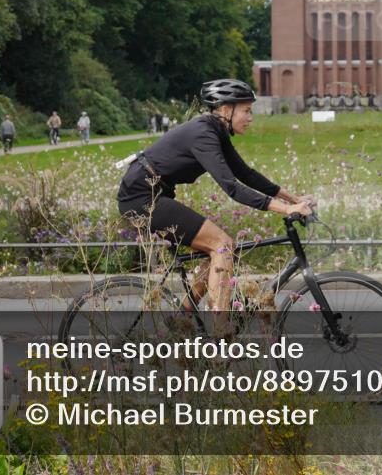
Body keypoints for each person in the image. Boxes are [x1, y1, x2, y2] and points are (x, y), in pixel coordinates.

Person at [116, 78, 313, 334]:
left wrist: (293, 199)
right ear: (225, 110)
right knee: (222, 245)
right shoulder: (203, 134)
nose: (251, 117)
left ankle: (182, 315)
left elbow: (245, 174)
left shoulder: (216, 131)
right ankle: (220, 330)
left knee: (216, 253)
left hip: (152, 194)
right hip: (141, 199)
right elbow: (231, 187)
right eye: (246, 110)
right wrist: (285, 209)